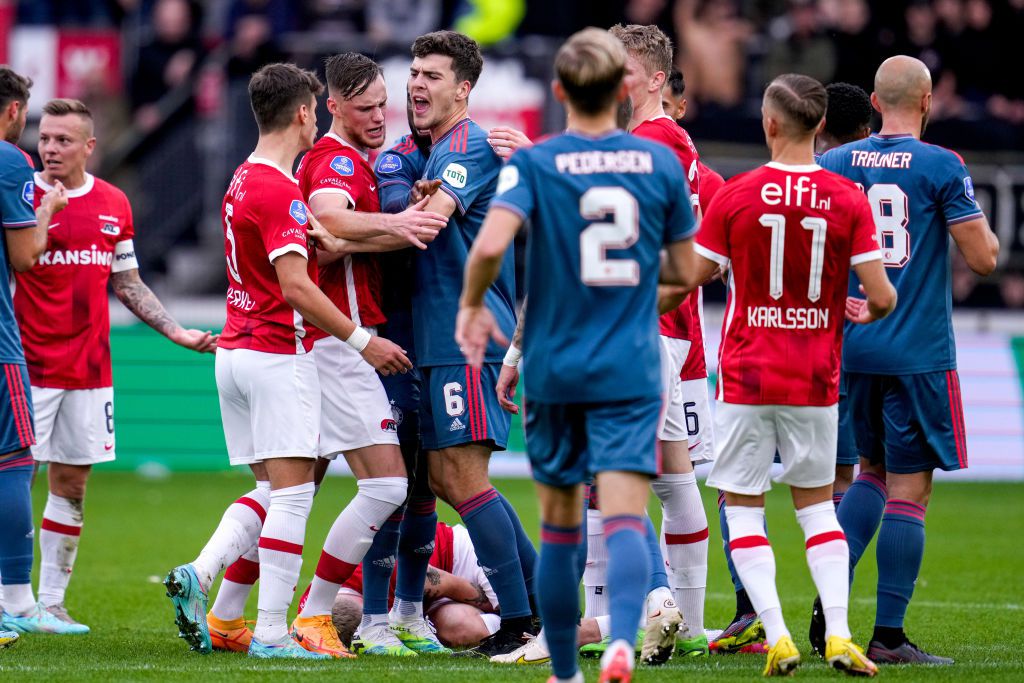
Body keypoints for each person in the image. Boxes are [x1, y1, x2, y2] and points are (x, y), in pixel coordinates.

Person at [456, 26, 700, 683]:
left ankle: (565, 671)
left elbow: (487, 249)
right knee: (624, 515)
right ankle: (620, 639)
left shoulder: (535, 163)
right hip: (629, 360)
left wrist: (473, 307)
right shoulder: (657, 163)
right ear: (624, 88)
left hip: (558, 365)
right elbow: (687, 268)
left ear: (559, 90)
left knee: (562, 527)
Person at [163, 62, 410, 660]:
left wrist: (339, 241)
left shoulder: (242, 180)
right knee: (299, 496)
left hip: (237, 350)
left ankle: (213, 590)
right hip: (279, 353)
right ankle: (277, 629)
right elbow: (298, 287)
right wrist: (362, 342)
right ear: (305, 113)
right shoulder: (282, 190)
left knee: (278, 491)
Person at [691, 72, 894, 677]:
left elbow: (695, 276)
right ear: (820, 125)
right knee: (817, 509)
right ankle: (837, 633)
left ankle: (777, 635)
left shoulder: (736, 195)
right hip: (814, 376)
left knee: (744, 507)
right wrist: (863, 308)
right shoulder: (847, 197)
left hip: (747, 376)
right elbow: (881, 295)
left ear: (770, 123)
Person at [7, 98, 217, 634]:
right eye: (45, 138)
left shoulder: (113, 203)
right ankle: (12, 599)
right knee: (13, 482)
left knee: (71, 485)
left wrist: (174, 330)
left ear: (88, 147)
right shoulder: (20, 193)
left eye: (62, 140)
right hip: (26, 366)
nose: (50, 149)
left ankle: (50, 604)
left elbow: (126, 282)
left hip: (89, 368)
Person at [817, 55, 999, 665]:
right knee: (910, 489)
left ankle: (830, 598)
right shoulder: (942, 165)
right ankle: (889, 636)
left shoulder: (834, 163)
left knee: (869, 470)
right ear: (926, 102)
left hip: (853, 347)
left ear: (873, 100)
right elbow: (984, 260)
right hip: (916, 349)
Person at [289, 51, 448, 659]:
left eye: (384, 102)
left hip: (334, 339)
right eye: (365, 107)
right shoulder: (334, 160)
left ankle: (222, 596)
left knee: (294, 487)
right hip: (342, 340)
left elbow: (332, 239)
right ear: (332, 107)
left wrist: (396, 215)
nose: (381, 115)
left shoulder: (355, 160)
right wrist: (404, 221)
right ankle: (320, 613)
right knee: (388, 486)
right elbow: (329, 220)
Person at [406, 29, 538, 658]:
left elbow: (431, 220)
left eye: (432, 75)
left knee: (462, 475)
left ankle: (519, 619)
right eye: (413, 72)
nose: (416, 85)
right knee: (444, 475)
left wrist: (337, 232)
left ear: (463, 89)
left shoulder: (471, 145)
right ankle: (536, 604)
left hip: (467, 333)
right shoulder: (434, 149)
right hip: (438, 335)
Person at [607, 22, 710, 662]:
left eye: (620, 69)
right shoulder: (672, 139)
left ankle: (650, 603)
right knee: (674, 477)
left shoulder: (653, 141)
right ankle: (691, 624)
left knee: (609, 473)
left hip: (643, 330)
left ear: (652, 80)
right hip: (669, 331)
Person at [0, 66, 68, 642]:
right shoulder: (9, 161)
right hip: (1, 347)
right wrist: (44, 214)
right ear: (15, 112)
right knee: (15, 463)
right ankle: (18, 601)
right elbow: (24, 257)